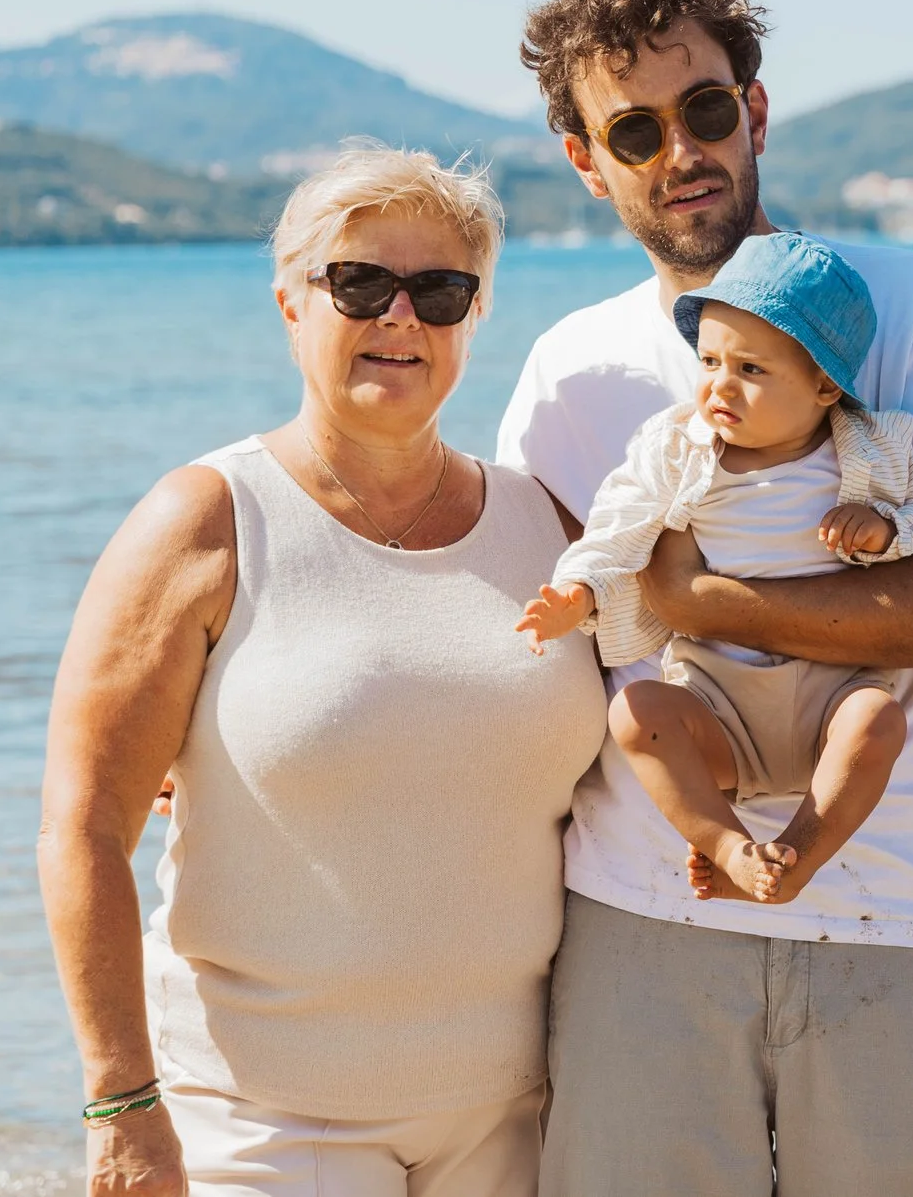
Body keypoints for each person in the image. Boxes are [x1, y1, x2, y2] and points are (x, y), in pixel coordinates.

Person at [496, 0, 913, 1197]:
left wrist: (699, 601)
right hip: (640, 920)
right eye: (631, 131)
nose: (678, 151)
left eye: (701, 110)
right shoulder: (567, 373)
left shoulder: (912, 307)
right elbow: (519, 641)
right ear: (586, 163)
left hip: (897, 919)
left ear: (751, 110)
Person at [38, 146, 608, 1197]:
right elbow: (83, 826)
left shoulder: (551, 527)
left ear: (474, 319)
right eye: (360, 282)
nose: (401, 317)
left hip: (518, 1122)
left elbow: (657, 740)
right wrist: (120, 1100)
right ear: (291, 302)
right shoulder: (205, 521)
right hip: (264, 1126)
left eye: (440, 291)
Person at [518, 231, 913, 905]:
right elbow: (620, 523)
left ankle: (799, 851)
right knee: (637, 714)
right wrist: (578, 588)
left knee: (878, 721)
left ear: (825, 383)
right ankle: (731, 846)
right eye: (709, 360)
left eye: (751, 370)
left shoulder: (871, 451)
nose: (719, 385)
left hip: (833, 690)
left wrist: (885, 532)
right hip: (716, 696)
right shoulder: (678, 446)